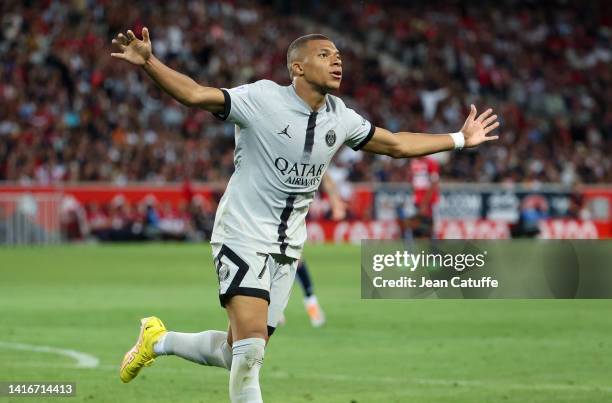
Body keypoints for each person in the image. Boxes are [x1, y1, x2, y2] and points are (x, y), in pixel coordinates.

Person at [112, 28, 499, 402]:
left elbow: (396, 144)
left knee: (238, 353)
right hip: (242, 233)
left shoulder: (341, 117)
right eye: (325, 55)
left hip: (289, 247)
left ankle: (157, 340)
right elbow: (196, 95)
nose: (337, 62)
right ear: (297, 68)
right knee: (250, 356)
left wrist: (460, 138)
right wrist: (149, 63)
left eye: (339, 57)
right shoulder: (262, 99)